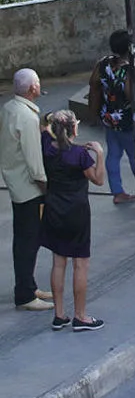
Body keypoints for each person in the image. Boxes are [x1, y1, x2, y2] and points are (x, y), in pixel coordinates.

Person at [39, 109, 105, 332]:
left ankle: (59, 315)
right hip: (76, 212)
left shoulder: (48, 148)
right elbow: (98, 180)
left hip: (54, 210)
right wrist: (100, 154)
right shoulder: (80, 155)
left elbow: (44, 126)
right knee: (80, 263)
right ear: (73, 129)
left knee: (59, 262)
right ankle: (81, 316)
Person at [0, 68, 53, 311]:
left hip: (15, 182)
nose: (40, 86)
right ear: (33, 88)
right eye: (38, 83)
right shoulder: (28, 117)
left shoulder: (10, 108)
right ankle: (25, 294)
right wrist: (46, 188)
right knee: (28, 241)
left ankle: (29, 286)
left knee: (24, 239)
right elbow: (35, 162)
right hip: (29, 188)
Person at [87, 30, 135, 204]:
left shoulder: (103, 64)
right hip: (125, 118)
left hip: (108, 116)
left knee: (113, 154)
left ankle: (117, 191)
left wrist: (94, 113)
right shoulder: (129, 69)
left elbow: (93, 85)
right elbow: (130, 93)